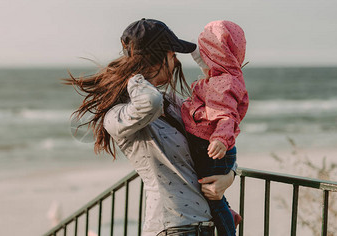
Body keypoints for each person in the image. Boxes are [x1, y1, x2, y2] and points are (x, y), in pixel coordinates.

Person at [64, 18, 236, 236]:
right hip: (172, 228)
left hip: (205, 225)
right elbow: (149, 103)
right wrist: (136, 74)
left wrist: (229, 175)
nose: (176, 63)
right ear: (155, 59)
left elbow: (211, 134)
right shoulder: (118, 116)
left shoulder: (171, 103)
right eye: (172, 55)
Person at [181, 20, 249, 236]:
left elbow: (227, 115)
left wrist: (219, 139)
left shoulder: (225, 83)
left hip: (214, 149)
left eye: (206, 55)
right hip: (211, 149)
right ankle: (230, 213)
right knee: (212, 196)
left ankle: (229, 229)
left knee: (213, 201)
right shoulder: (219, 79)